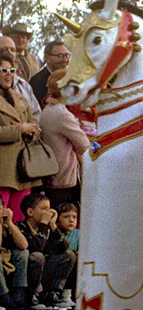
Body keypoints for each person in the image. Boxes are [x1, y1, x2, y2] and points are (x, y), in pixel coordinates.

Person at [37, 68, 88, 206]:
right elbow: (84, 144)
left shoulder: (48, 109)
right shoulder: (62, 114)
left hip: (53, 175)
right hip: (64, 178)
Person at [0, 50, 41, 223]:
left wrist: (32, 132)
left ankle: (16, 250)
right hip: (3, 171)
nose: (8, 75)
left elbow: (36, 125)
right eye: (3, 70)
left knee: (18, 219)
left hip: (23, 170)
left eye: (12, 71)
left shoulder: (20, 98)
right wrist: (19, 129)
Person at [17, 191, 74, 310]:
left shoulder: (47, 227)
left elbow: (64, 247)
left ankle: (53, 294)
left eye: (49, 208)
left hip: (44, 271)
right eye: (43, 209)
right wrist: (44, 224)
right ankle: (33, 295)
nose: (48, 213)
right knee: (38, 256)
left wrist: (53, 225)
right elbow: (38, 247)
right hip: (29, 272)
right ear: (30, 212)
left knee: (69, 254)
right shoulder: (21, 227)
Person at [0, 37, 40, 123]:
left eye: (12, 50)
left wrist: (32, 133)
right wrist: (19, 130)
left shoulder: (24, 85)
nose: (9, 53)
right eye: (4, 49)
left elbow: (36, 114)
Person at [0, 203, 30, 310]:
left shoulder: (7, 224)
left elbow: (24, 245)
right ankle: (3, 296)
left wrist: (9, 223)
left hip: (6, 256)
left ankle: (19, 294)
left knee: (23, 253)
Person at [30, 39, 69, 108]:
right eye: (60, 56)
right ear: (47, 58)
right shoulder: (37, 81)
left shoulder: (71, 78)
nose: (65, 60)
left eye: (66, 55)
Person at [55, 201, 79, 304]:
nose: (71, 220)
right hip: (58, 265)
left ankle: (67, 294)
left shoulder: (78, 234)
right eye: (66, 217)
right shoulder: (55, 232)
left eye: (74, 217)